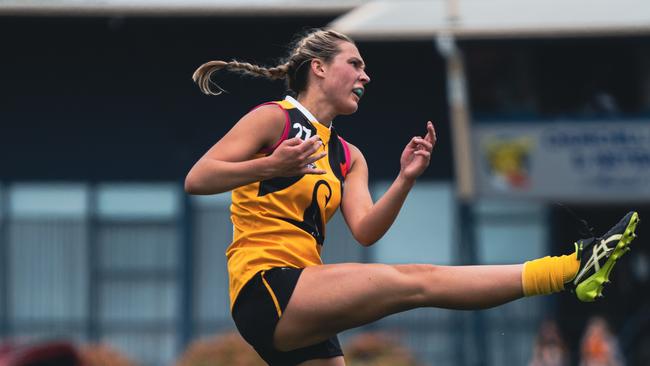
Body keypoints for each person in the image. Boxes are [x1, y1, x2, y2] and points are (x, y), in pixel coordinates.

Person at [184, 29, 640, 366]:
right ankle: (570, 268)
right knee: (414, 280)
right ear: (319, 68)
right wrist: (271, 166)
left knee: (413, 282)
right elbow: (198, 178)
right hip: (266, 285)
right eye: (355, 63)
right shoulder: (273, 119)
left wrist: (404, 180)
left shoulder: (348, 156)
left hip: (303, 294)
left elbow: (365, 230)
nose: (367, 74)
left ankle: (573, 270)